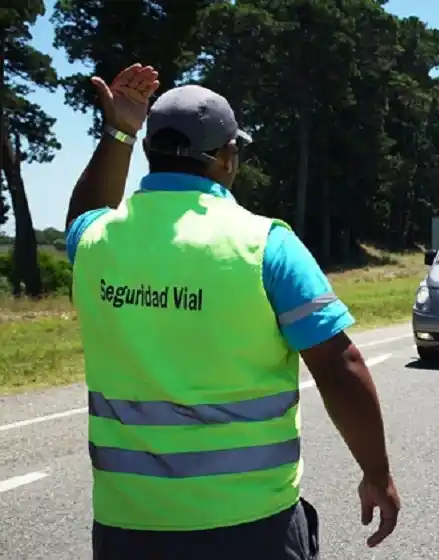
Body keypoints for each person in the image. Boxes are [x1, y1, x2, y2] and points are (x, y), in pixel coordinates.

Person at [65, 63, 400, 559]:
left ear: (150, 154)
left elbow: (82, 215)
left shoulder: (95, 241)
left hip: (127, 525)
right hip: (249, 525)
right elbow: (341, 366)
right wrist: (377, 473)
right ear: (226, 158)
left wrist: (119, 132)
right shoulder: (266, 244)